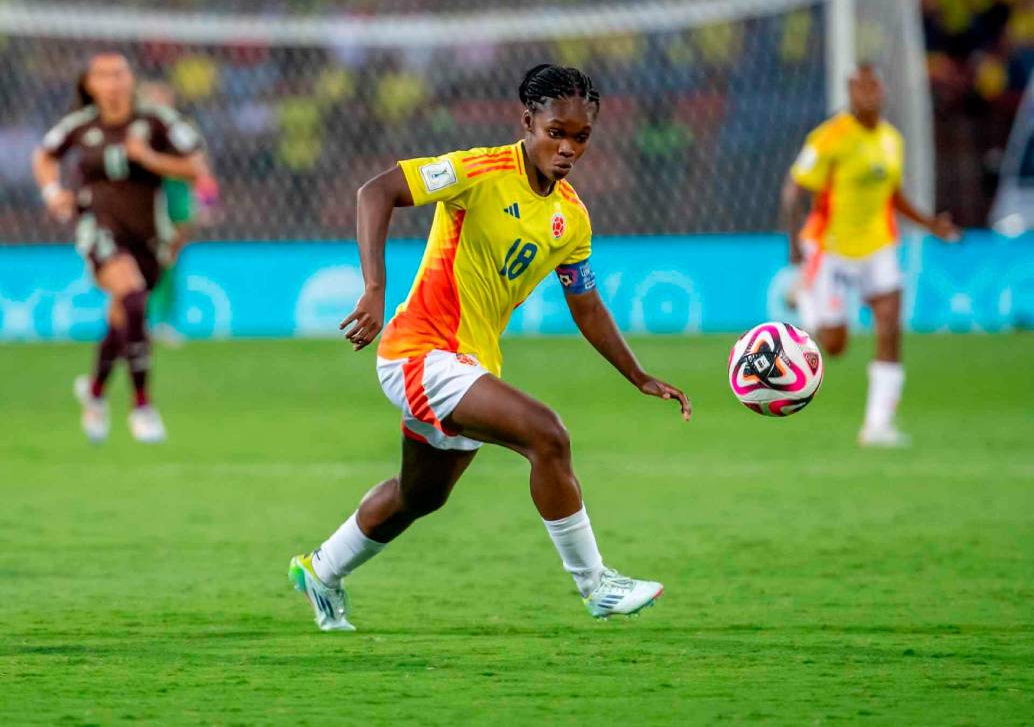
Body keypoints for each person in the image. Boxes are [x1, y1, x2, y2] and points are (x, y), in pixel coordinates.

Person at [289, 64, 691, 632]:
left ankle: (321, 571)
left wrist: (638, 374)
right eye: (556, 131)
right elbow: (375, 191)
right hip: (420, 352)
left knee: (419, 496)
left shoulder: (571, 217)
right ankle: (596, 584)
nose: (568, 146)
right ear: (527, 121)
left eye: (581, 137)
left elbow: (587, 305)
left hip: (468, 364)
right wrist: (375, 289)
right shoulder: (479, 170)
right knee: (547, 435)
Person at [781, 63, 960, 448]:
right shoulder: (829, 138)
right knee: (833, 345)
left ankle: (877, 425)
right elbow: (794, 189)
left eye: (875, 86)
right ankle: (805, 291)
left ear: (883, 90)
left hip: (878, 245)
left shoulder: (891, 140)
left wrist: (930, 224)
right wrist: (795, 248)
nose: (869, 94)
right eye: (861, 88)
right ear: (850, 91)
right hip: (830, 247)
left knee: (890, 325)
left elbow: (893, 196)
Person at [32, 53, 206, 443]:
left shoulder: (157, 122)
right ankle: (142, 404)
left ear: (131, 79)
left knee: (122, 314)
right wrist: (52, 191)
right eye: (103, 75)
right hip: (97, 227)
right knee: (132, 297)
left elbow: (196, 167)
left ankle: (94, 392)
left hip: (148, 235)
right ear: (90, 84)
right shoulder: (79, 126)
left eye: (120, 74)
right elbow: (43, 155)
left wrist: (149, 158)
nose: (113, 82)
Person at [136, 80, 219, 346]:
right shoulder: (135, 130)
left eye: (161, 99)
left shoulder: (182, 130)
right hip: (145, 197)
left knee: (170, 257)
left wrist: (206, 202)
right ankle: (142, 320)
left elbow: (201, 167)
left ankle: (163, 321)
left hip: (176, 196)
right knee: (145, 258)